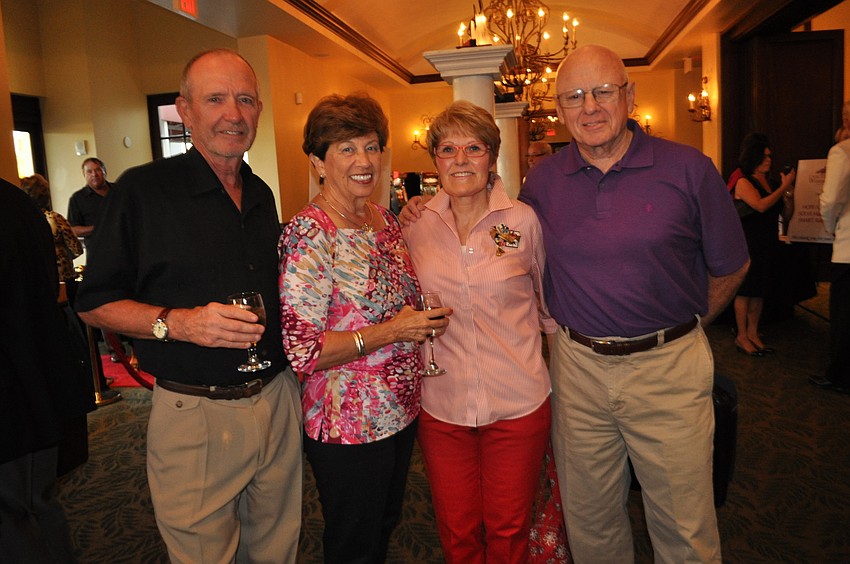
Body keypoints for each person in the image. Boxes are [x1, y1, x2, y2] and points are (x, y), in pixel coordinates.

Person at [519, 45, 749, 562]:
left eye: (603, 91)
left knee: (684, 528)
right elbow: (508, 241)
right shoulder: (544, 181)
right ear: (559, 109)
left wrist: (683, 329)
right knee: (591, 521)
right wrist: (438, 204)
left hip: (668, 369)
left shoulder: (689, 169)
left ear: (629, 96)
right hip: (576, 370)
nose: (590, 107)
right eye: (574, 96)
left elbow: (732, 264)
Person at [75, 49, 302, 563]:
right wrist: (177, 324)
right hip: (196, 411)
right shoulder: (141, 190)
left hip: (276, 398)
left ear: (259, 111)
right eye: (216, 99)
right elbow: (93, 303)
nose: (234, 114)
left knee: (277, 551)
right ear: (185, 109)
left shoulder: (262, 194)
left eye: (245, 100)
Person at [278, 92, 449, 563]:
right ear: (317, 161)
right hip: (347, 422)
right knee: (354, 541)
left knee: (384, 525)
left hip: (399, 409)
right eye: (347, 148)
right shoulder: (310, 233)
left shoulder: (384, 220)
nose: (364, 160)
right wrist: (394, 331)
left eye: (372, 147)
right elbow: (303, 350)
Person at [402, 100, 561, 563]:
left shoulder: (523, 222)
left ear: (492, 157)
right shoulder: (414, 226)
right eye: (448, 149)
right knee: (457, 529)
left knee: (510, 529)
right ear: (434, 159)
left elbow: (548, 310)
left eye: (473, 148)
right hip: (443, 404)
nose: (461, 159)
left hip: (517, 403)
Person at [0, 177, 95, 563]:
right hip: (40, 380)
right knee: (39, 504)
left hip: (11, 390)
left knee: (11, 518)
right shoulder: (17, 202)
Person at [731, 134, 796, 356]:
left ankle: (753, 332)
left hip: (767, 242)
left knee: (759, 291)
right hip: (748, 243)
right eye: (764, 156)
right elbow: (759, 206)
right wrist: (782, 189)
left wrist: (788, 197)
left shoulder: (774, 183)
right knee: (746, 290)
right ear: (754, 156)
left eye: (770, 156)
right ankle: (741, 336)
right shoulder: (743, 181)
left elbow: (786, 215)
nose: (769, 160)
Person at [813, 99, 850, 395]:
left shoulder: (842, 151)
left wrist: (830, 226)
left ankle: (840, 376)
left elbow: (831, 200)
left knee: (844, 316)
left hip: (849, 248)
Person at [21, 173, 83, 305]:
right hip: (63, 277)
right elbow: (77, 249)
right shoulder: (54, 219)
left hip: (36, 279)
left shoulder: (21, 222)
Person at [67, 157, 111, 247]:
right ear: (84, 174)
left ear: (104, 172)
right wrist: (98, 227)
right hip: (98, 251)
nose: (94, 174)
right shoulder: (77, 199)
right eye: (89, 171)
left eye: (98, 170)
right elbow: (73, 229)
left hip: (127, 248)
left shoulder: (120, 190)